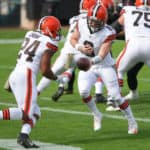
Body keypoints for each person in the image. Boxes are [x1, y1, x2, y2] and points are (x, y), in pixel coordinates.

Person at [70, 3, 138, 134]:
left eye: (97, 21)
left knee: (116, 97)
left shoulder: (109, 32)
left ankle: (132, 122)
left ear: (104, 21)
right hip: (89, 65)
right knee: (84, 92)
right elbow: (73, 39)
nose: (94, 24)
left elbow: (101, 55)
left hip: (104, 66)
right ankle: (97, 114)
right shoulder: (81, 22)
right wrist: (80, 47)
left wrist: (89, 61)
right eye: (92, 20)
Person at [1, 16, 62, 148]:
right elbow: (45, 70)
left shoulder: (30, 34)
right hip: (26, 75)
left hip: (16, 73)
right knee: (26, 112)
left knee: (35, 112)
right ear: (50, 30)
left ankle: (24, 136)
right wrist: (58, 79)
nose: (57, 33)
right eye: (56, 30)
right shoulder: (49, 43)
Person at [37, 0, 98, 101]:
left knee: (55, 71)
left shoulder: (73, 19)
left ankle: (37, 92)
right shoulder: (91, 19)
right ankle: (100, 93)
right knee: (102, 67)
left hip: (68, 51)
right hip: (83, 52)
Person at [113, 0, 150, 102]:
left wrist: (108, 37)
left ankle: (115, 101)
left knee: (117, 70)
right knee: (131, 73)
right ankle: (133, 94)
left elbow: (113, 28)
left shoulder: (128, 12)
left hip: (134, 47)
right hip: (148, 47)